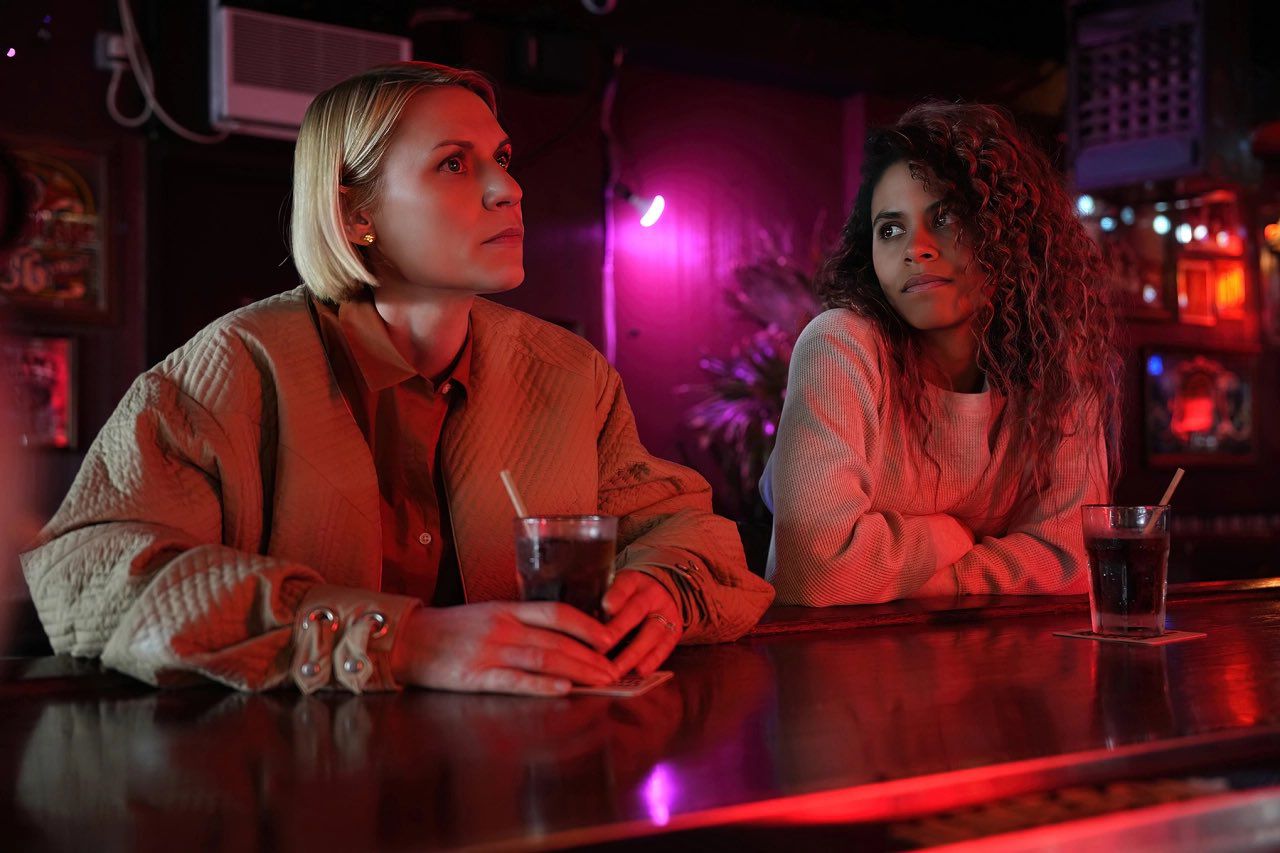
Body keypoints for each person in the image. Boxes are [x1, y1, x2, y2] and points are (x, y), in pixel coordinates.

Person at [20, 61, 773, 695]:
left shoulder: (571, 376)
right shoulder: (231, 369)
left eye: (503, 158)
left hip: (523, 784)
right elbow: (86, 576)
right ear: (355, 214)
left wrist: (663, 588)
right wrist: (395, 641)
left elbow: (689, 533)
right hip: (289, 790)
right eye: (455, 164)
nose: (508, 189)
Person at [762, 101, 1120, 606]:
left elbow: (1072, 560)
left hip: (1004, 655)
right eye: (890, 229)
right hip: (845, 653)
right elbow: (812, 572)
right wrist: (944, 536)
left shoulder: (1057, 364)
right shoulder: (839, 345)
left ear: (1007, 231)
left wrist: (943, 580)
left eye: (945, 216)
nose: (916, 248)